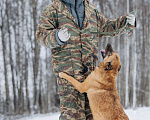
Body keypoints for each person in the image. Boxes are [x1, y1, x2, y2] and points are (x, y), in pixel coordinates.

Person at [36, 0, 136, 119]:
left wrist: (126, 23)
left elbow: (106, 27)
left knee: (94, 116)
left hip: (92, 76)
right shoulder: (53, 10)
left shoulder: (91, 10)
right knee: (72, 116)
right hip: (69, 77)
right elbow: (41, 35)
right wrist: (56, 37)